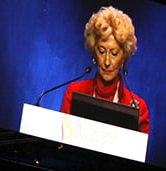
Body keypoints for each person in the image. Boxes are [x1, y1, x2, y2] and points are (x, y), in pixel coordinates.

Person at [60, 6, 149, 134]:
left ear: (124, 56)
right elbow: (61, 142)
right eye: (102, 52)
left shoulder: (138, 107)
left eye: (114, 53)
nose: (107, 62)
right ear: (94, 53)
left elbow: (138, 152)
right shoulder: (74, 91)